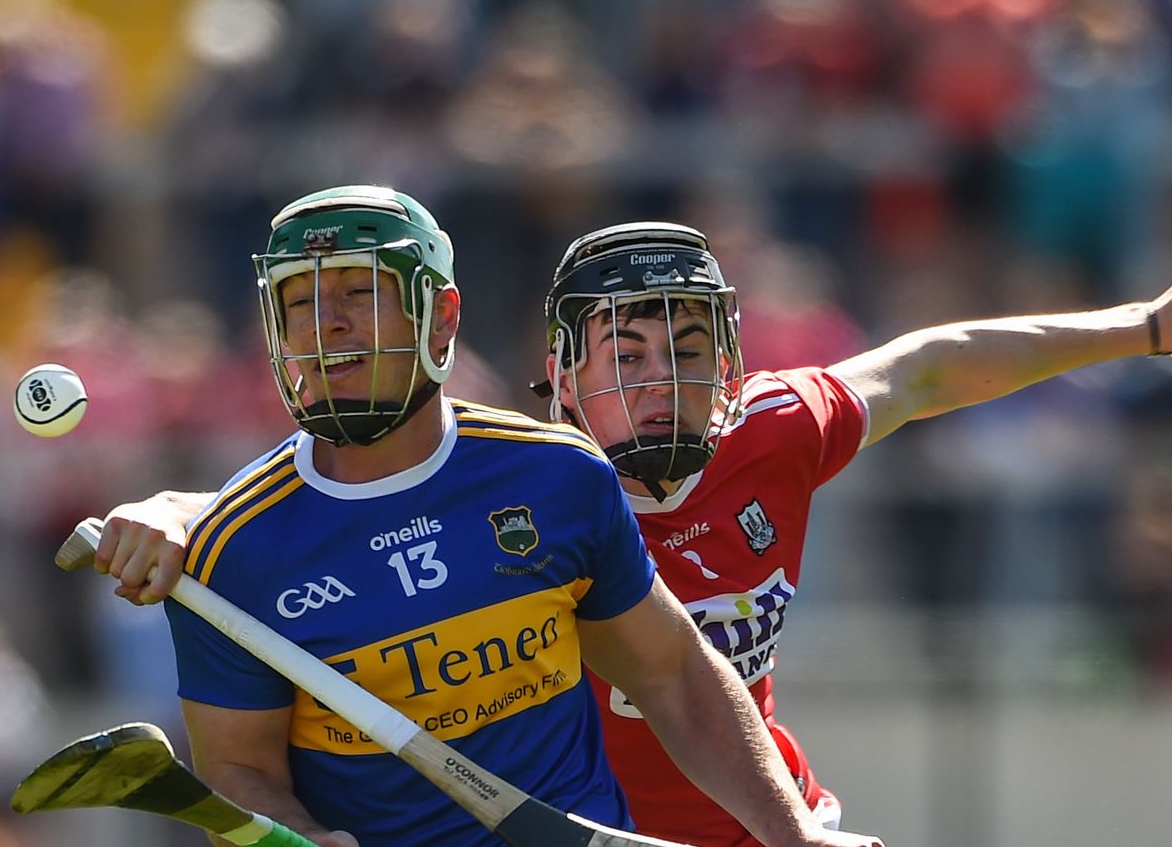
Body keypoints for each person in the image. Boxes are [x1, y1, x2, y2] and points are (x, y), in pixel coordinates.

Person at [92, 186, 883, 847]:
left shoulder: (556, 476)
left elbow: (673, 675)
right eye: (300, 301)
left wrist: (794, 837)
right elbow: (241, 769)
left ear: (439, 317)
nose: (325, 324)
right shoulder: (233, 552)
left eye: (359, 292)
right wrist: (297, 830)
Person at [527, 221, 1172, 845]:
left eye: (685, 351)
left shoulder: (776, 431)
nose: (660, 377)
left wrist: (1150, 324)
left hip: (776, 823)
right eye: (625, 357)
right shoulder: (522, 512)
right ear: (565, 379)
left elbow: (929, 369)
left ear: (728, 363)